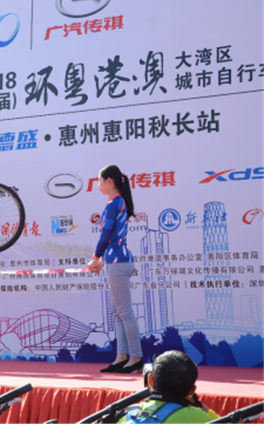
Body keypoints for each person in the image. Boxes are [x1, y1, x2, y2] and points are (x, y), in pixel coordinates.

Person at [88, 165, 143, 373]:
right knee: (119, 313)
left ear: (109, 181)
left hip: (118, 262)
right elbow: (112, 237)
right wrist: (102, 260)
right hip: (116, 260)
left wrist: (95, 258)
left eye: (100, 181)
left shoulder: (114, 203)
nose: (98, 185)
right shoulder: (117, 202)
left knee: (125, 312)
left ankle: (135, 358)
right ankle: (121, 357)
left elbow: (106, 235)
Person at [118, 350, 220, 423]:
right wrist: (198, 404)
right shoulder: (196, 417)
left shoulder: (126, 415)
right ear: (192, 391)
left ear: (150, 380)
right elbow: (223, 422)